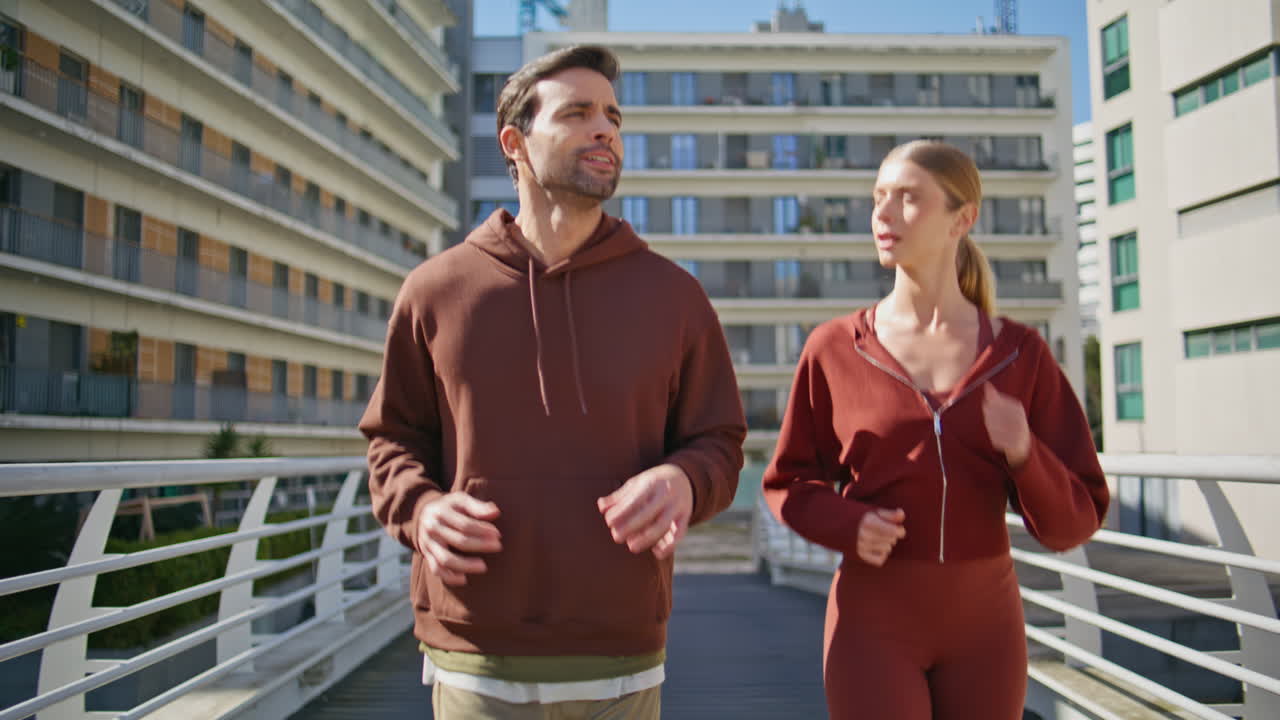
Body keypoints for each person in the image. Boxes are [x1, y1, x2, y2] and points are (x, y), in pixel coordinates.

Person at [359, 45, 746, 719]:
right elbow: (392, 441)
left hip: (621, 659)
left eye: (613, 117)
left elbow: (719, 440)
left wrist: (684, 480)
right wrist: (422, 511)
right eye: (577, 114)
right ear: (514, 143)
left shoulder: (674, 296)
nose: (605, 131)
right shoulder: (435, 291)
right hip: (474, 655)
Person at [761, 140, 1109, 719]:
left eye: (908, 198)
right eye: (878, 197)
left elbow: (1076, 519)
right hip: (873, 622)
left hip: (986, 630)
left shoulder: (1019, 354)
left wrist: (1025, 453)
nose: (883, 213)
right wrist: (849, 523)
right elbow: (786, 484)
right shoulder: (834, 349)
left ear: (962, 219)